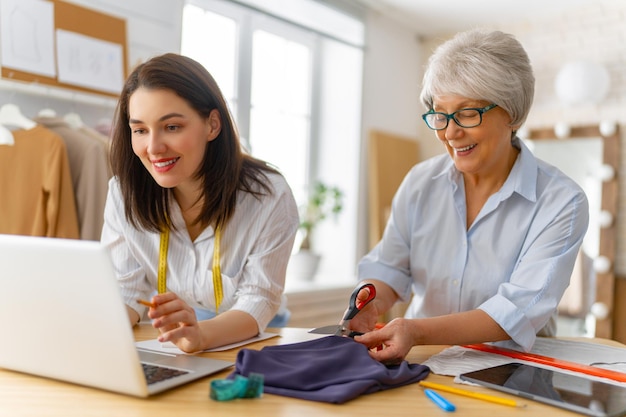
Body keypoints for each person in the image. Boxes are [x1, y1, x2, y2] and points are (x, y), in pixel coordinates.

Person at [351, 29, 589, 364]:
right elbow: (390, 265)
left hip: (511, 372)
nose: (450, 132)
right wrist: (370, 302)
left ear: (513, 114)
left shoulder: (561, 201)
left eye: (466, 113)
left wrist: (417, 331)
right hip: (424, 361)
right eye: (440, 114)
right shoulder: (421, 182)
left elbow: (517, 310)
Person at [101, 53, 299, 353]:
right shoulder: (122, 194)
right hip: (176, 336)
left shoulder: (270, 196)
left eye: (172, 127)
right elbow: (126, 290)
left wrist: (201, 335)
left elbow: (258, 300)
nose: (153, 148)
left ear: (212, 125)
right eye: (140, 130)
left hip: (253, 333)